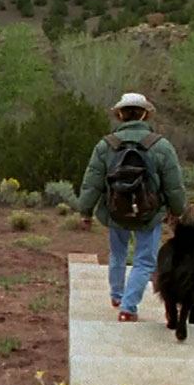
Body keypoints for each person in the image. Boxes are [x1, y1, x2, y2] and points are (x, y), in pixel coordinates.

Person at [77, 92, 186, 322]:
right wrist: (177, 210)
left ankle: (117, 296)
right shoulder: (161, 146)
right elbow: (174, 185)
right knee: (144, 261)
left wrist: (85, 211)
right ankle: (128, 308)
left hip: (116, 211)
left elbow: (92, 183)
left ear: (120, 115)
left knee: (117, 253)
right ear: (145, 115)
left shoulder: (106, 145)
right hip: (149, 213)